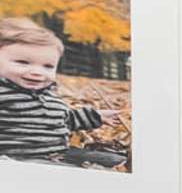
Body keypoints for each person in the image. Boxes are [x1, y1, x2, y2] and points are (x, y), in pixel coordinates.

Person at [0, 14, 108, 168]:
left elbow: (63, 120)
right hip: (18, 159)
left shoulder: (49, 96)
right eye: (23, 62)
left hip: (60, 152)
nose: (37, 72)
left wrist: (93, 116)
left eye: (48, 66)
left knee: (114, 160)